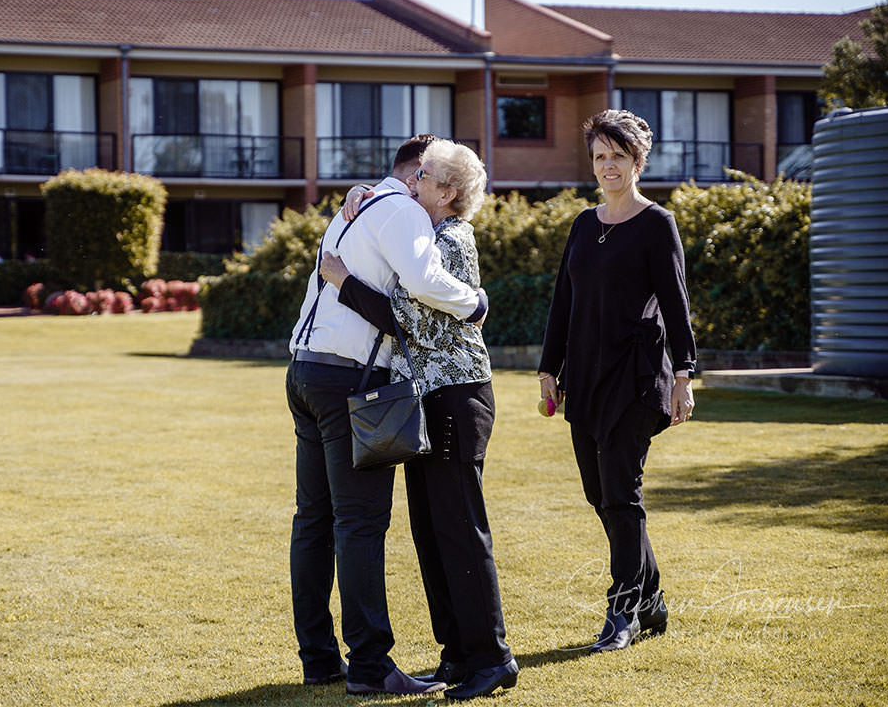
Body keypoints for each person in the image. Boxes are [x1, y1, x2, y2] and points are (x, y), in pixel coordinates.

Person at [286, 135, 489, 696]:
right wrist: (476, 302)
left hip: (304, 370)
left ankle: (320, 660)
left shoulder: (356, 206)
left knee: (314, 521)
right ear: (413, 173)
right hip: (351, 378)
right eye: (422, 173)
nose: (421, 183)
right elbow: (422, 285)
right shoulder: (399, 205)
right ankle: (372, 667)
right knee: (358, 525)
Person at [538, 108, 697, 653]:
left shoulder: (657, 224)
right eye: (600, 157)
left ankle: (623, 608)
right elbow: (564, 300)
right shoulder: (583, 225)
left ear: (637, 162)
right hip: (583, 377)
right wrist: (547, 369)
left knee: (622, 494)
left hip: (635, 378)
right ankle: (650, 599)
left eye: (618, 157)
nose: (608, 166)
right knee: (598, 493)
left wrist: (685, 374)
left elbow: (676, 304)